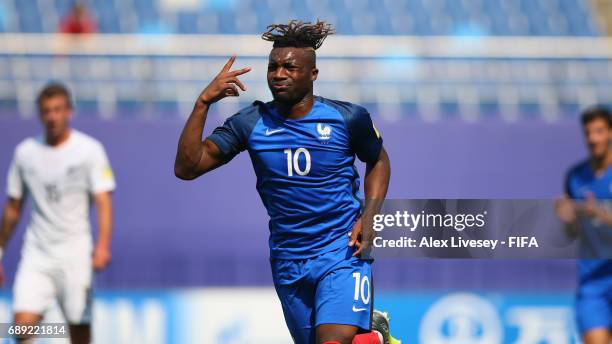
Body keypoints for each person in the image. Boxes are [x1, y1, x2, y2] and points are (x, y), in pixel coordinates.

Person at [174, 20, 399, 344]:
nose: (279, 74)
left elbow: (378, 159)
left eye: (289, 67)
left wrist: (370, 216)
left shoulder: (347, 118)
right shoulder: (250, 123)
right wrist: (202, 104)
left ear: (312, 74)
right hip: (289, 257)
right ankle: (373, 337)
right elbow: (188, 167)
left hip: (341, 249)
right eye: (273, 67)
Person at [0, 83, 115, 343]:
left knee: (79, 332)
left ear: (69, 112)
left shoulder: (89, 150)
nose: (52, 116)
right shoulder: (25, 153)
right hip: (37, 254)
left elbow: (103, 200)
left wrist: (103, 245)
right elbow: (13, 207)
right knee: (22, 328)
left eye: (58, 110)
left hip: (75, 254)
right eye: (47, 111)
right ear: (40, 114)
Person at [556, 106, 612, 344]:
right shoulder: (575, 177)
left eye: (599, 131)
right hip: (593, 280)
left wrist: (598, 213)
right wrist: (568, 219)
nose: (592, 139)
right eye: (588, 133)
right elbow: (571, 233)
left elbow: (596, 215)